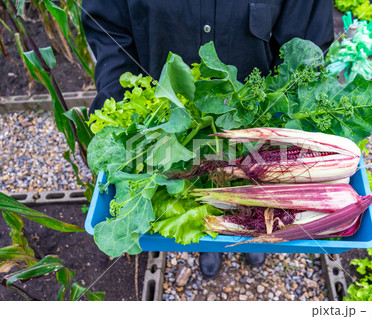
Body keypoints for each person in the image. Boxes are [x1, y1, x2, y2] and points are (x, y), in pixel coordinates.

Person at [82, 0, 334, 278]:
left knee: (253, 182)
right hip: (165, 128)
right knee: (191, 187)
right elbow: (107, 27)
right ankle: (212, 236)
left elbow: (308, 39)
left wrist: (279, 120)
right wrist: (125, 114)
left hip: (256, 128)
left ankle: (255, 222)